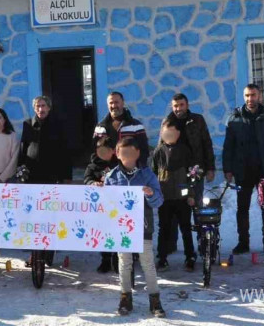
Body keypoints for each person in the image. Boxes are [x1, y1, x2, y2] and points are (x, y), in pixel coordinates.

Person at [222, 84, 264, 255]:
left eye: (253, 95)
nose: (250, 99)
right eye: (247, 95)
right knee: (242, 208)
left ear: (260, 96)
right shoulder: (235, 118)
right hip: (243, 170)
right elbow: (228, 146)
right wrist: (228, 169)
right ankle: (243, 242)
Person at [105, 137, 165, 318]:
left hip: (143, 227)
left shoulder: (147, 175)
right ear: (117, 154)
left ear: (138, 153)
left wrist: (151, 193)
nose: (127, 156)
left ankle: (155, 300)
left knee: (147, 263)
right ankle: (125, 298)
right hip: (121, 228)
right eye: (123, 152)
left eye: (131, 152)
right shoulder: (112, 176)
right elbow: (106, 204)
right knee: (124, 263)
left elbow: (159, 201)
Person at [163, 93, 216, 255]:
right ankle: (171, 244)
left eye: (181, 105)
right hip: (174, 173)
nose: (178, 108)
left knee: (197, 205)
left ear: (187, 105)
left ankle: (203, 242)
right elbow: (161, 148)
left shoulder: (197, 120)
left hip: (195, 169)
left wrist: (210, 167)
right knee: (173, 208)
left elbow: (206, 143)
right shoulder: (167, 122)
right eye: (175, 106)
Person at [151, 118, 196, 272]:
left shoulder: (185, 150)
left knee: (185, 228)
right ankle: (161, 257)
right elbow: (153, 175)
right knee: (164, 228)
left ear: (178, 133)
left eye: (172, 132)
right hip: (165, 198)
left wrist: (191, 194)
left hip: (182, 198)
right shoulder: (158, 151)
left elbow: (192, 174)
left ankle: (190, 256)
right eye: (166, 132)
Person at [84, 136, 120, 273]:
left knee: (117, 230)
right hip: (101, 206)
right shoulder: (93, 165)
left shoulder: (120, 164)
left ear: (113, 151)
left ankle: (118, 258)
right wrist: (93, 183)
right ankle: (105, 259)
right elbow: (87, 179)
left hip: (117, 205)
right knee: (104, 232)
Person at [19, 95, 71, 184]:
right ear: (34, 109)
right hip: (32, 170)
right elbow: (23, 147)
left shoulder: (58, 124)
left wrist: (67, 175)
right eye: (37, 106)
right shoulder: (28, 124)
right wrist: (20, 168)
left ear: (48, 108)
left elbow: (65, 150)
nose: (40, 109)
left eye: (43, 106)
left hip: (52, 171)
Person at [94, 92, 150, 167]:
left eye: (116, 102)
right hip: (108, 172)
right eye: (111, 103)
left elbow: (143, 151)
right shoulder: (100, 127)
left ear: (123, 103)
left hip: (130, 171)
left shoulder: (136, 126)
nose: (114, 106)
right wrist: (101, 170)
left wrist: (135, 168)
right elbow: (95, 152)